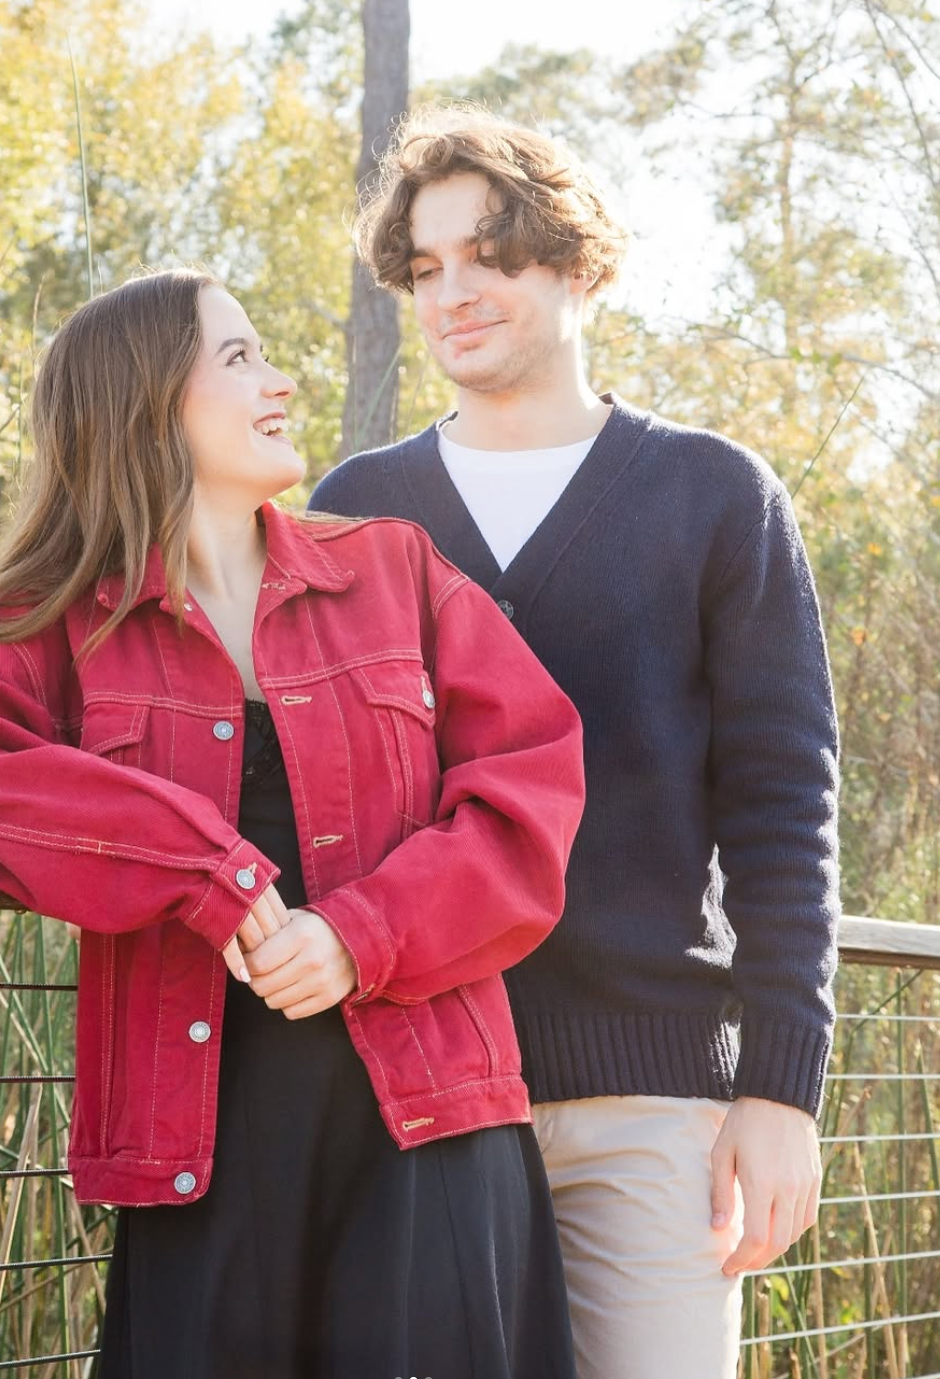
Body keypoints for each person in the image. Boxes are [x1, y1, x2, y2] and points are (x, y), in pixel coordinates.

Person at [0, 268, 587, 1379]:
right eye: (240, 356)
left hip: (431, 1131)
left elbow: (530, 793)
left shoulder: (393, 568)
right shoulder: (60, 616)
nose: (281, 378)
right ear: (147, 398)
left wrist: (361, 932)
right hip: (199, 1156)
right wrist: (199, 867)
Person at [310, 105, 841, 1379]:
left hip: (648, 1103)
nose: (453, 292)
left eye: (490, 254)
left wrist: (779, 1089)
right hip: (411, 1095)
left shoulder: (712, 493)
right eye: (427, 267)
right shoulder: (357, 511)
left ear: (574, 262)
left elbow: (783, 806)